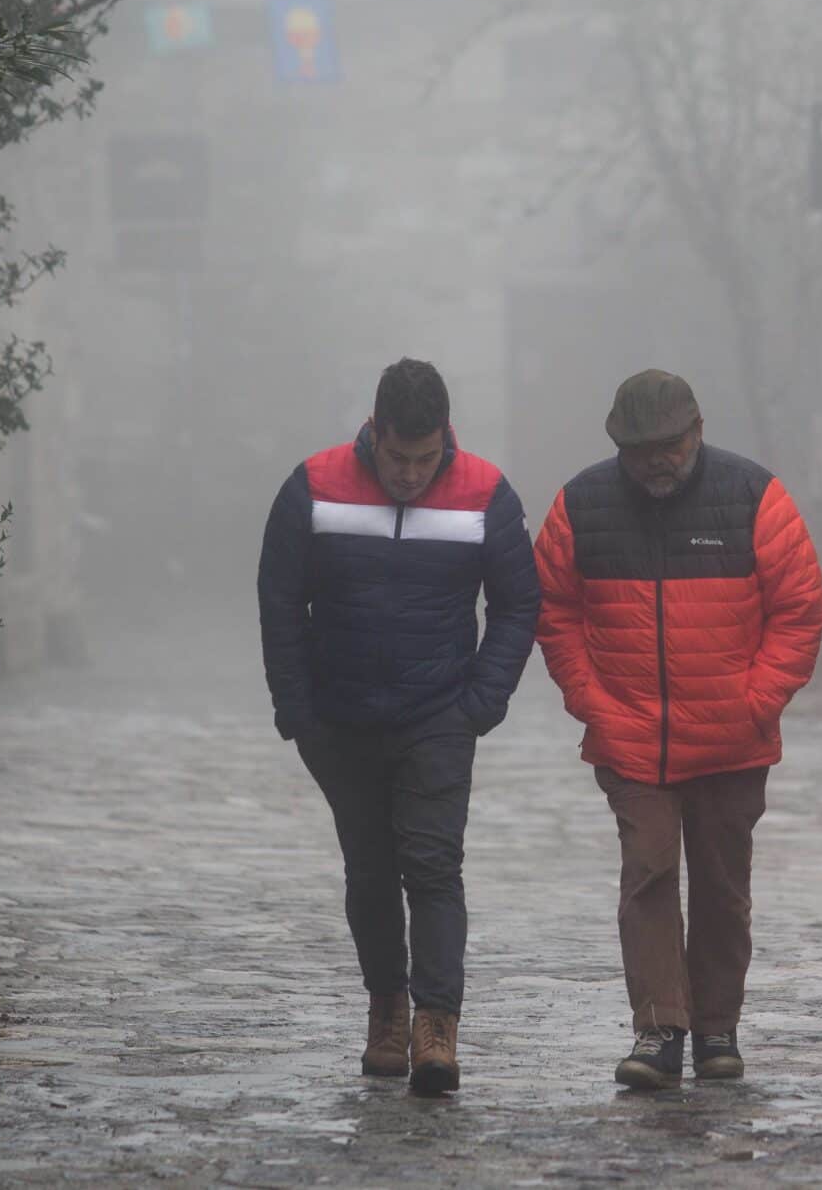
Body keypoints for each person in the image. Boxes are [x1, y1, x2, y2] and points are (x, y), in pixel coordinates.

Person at [532, 369, 822, 1089]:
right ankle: (661, 1029)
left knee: (723, 887)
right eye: (640, 449)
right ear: (619, 447)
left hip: (732, 740)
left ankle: (717, 1025)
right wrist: (590, 698)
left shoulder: (757, 498)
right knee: (650, 871)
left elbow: (801, 610)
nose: (656, 460)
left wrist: (756, 699)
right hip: (631, 738)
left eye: (669, 444)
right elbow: (553, 609)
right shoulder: (580, 506)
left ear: (697, 430)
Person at [256, 358, 538, 1094]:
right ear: (373, 431)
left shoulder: (484, 493)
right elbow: (279, 600)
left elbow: (517, 604)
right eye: (398, 456)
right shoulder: (312, 488)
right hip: (339, 717)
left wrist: (482, 701)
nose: (412, 473)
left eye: (425, 457)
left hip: (440, 713)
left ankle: (436, 1023)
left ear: (445, 436)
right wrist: (298, 710)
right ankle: (387, 1004)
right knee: (370, 870)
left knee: (433, 864)